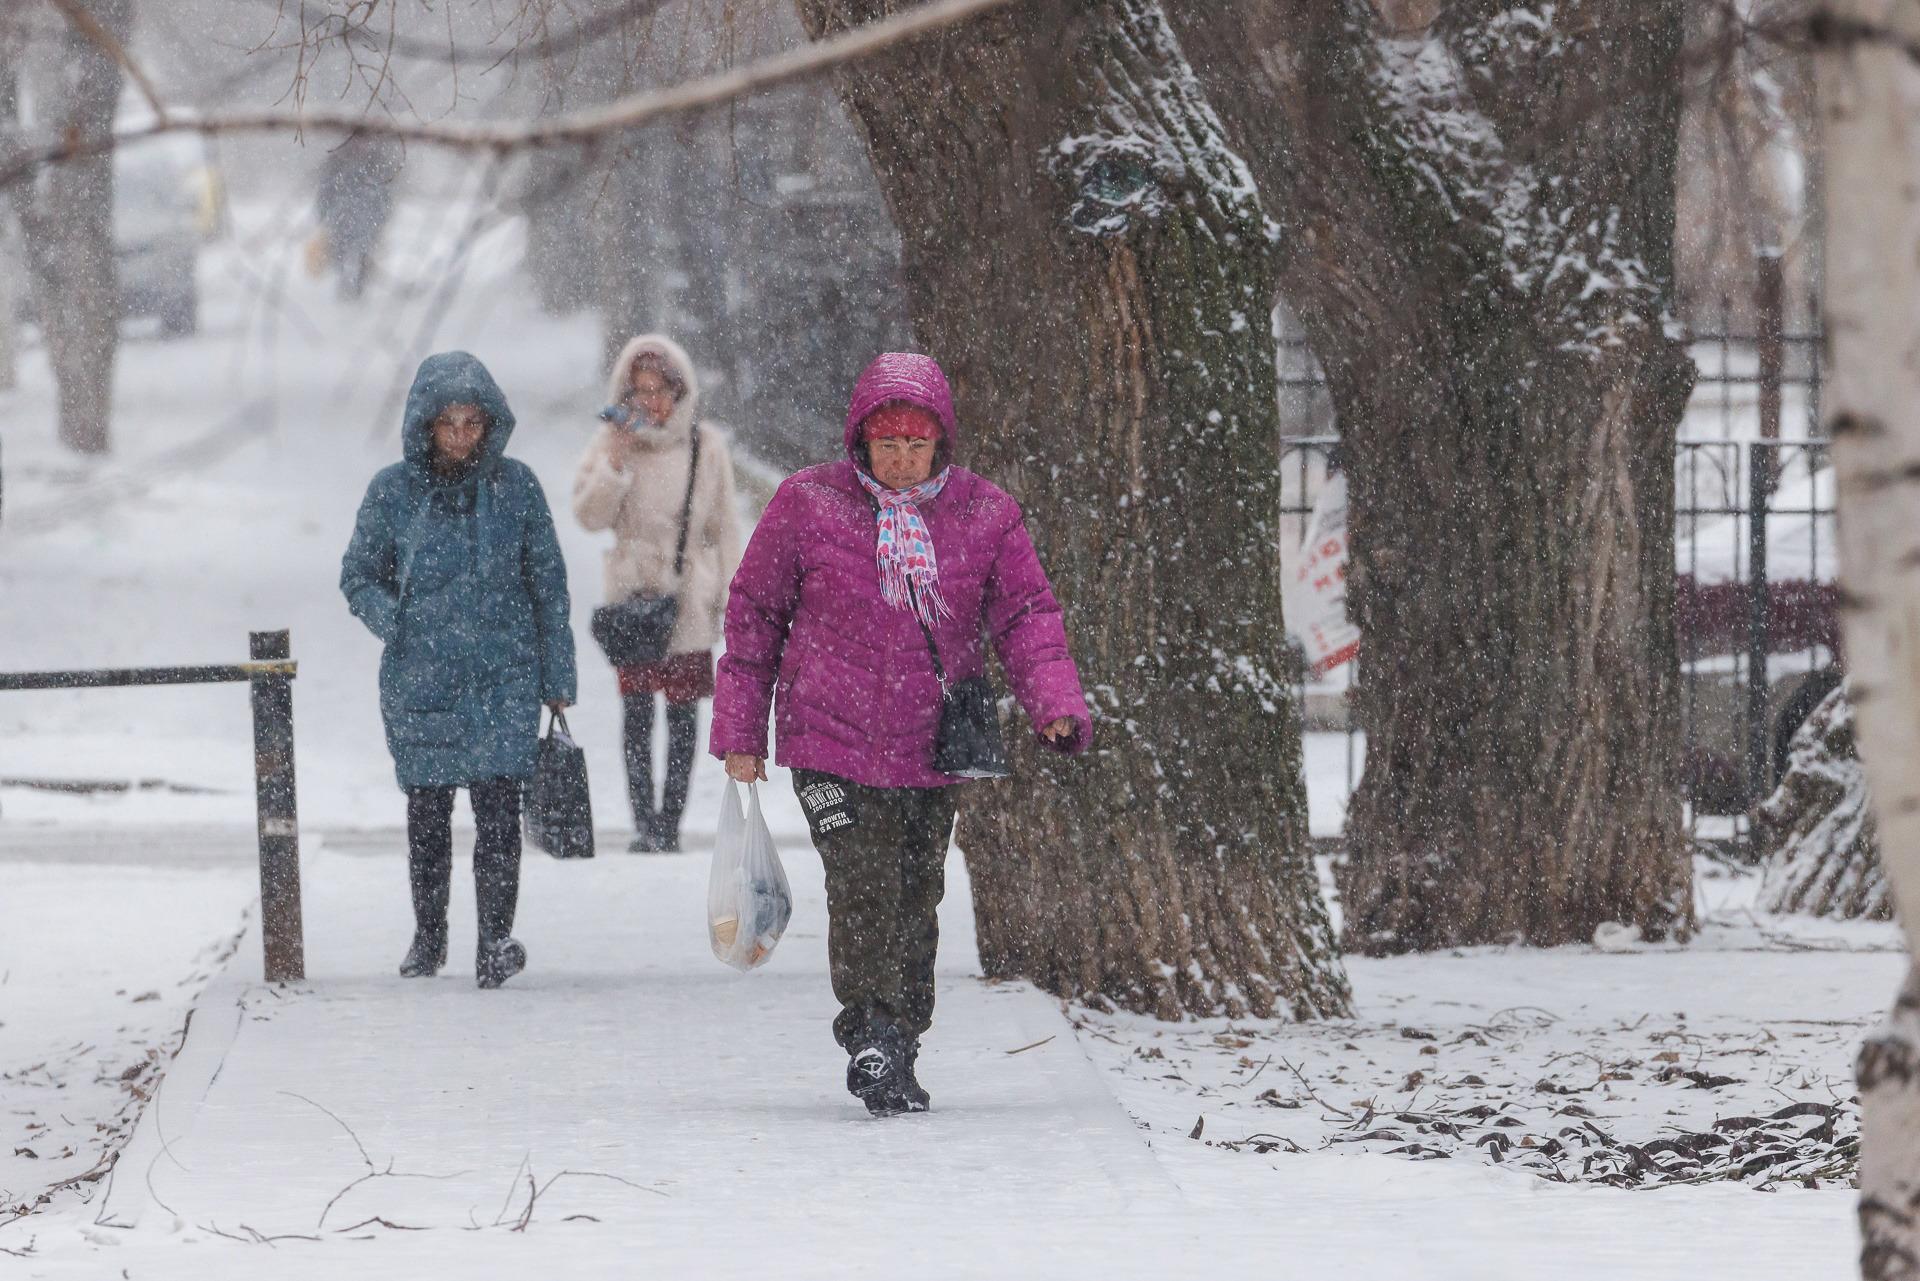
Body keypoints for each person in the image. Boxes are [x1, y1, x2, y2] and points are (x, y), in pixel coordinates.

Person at [710, 351, 1090, 1117]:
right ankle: (870, 1030)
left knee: (917, 893)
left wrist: (1055, 701)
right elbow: (755, 615)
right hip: (828, 740)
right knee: (860, 882)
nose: (902, 460)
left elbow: (1025, 617)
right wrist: (741, 731)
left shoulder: (985, 515)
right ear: (860, 440)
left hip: (928, 743)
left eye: (917, 445)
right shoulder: (808, 504)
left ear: (941, 443)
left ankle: (903, 1037)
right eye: (888, 444)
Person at [340, 351, 576, 989]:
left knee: (500, 811)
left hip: (505, 675)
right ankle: (430, 935)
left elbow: (548, 585)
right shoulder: (393, 493)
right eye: (450, 423)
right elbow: (357, 575)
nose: (463, 436)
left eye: (473, 422)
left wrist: (558, 679)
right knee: (428, 813)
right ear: (426, 423)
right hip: (424, 679)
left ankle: (495, 940)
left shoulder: (517, 487)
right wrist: (398, 622)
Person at [573, 335, 742, 853]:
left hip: (688, 591)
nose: (651, 401)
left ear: (680, 391)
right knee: (638, 714)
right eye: (640, 389)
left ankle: (670, 822)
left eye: (660, 389)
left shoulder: (705, 446)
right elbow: (588, 516)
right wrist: (617, 465)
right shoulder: (611, 442)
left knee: (684, 715)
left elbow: (725, 528)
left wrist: (731, 600)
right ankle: (643, 823)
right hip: (631, 592)